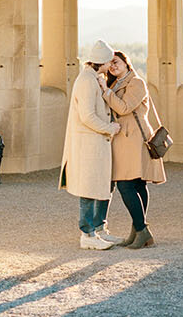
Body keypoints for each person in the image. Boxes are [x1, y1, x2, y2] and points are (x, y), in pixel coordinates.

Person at [59, 39, 122, 249]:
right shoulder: (86, 81)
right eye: (109, 61)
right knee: (88, 189)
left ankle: (99, 229)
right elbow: (87, 116)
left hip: (97, 143)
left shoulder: (94, 78)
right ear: (102, 62)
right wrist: (109, 128)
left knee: (101, 186)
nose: (111, 65)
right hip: (89, 144)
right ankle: (87, 234)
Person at [101, 50, 167, 249]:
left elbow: (124, 107)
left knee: (126, 185)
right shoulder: (116, 84)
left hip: (135, 138)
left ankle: (142, 229)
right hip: (124, 139)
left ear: (126, 63)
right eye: (110, 63)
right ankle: (137, 231)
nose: (113, 66)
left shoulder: (136, 82)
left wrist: (105, 90)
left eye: (116, 62)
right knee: (137, 185)